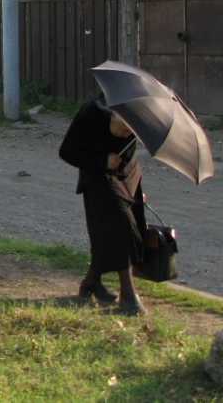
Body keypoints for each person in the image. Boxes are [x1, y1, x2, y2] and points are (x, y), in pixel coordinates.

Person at [58, 95, 148, 315]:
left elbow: (128, 152)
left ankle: (90, 283)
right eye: (124, 130)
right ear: (112, 118)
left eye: (131, 132)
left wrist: (132, 188)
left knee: (108, 231)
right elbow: (67, 151)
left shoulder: (135, 116)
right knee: (121, 227)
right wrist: (102, 161)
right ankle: (128, 295)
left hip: (126, 175)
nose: (127, 135)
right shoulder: (92, 114)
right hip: (96, 175)